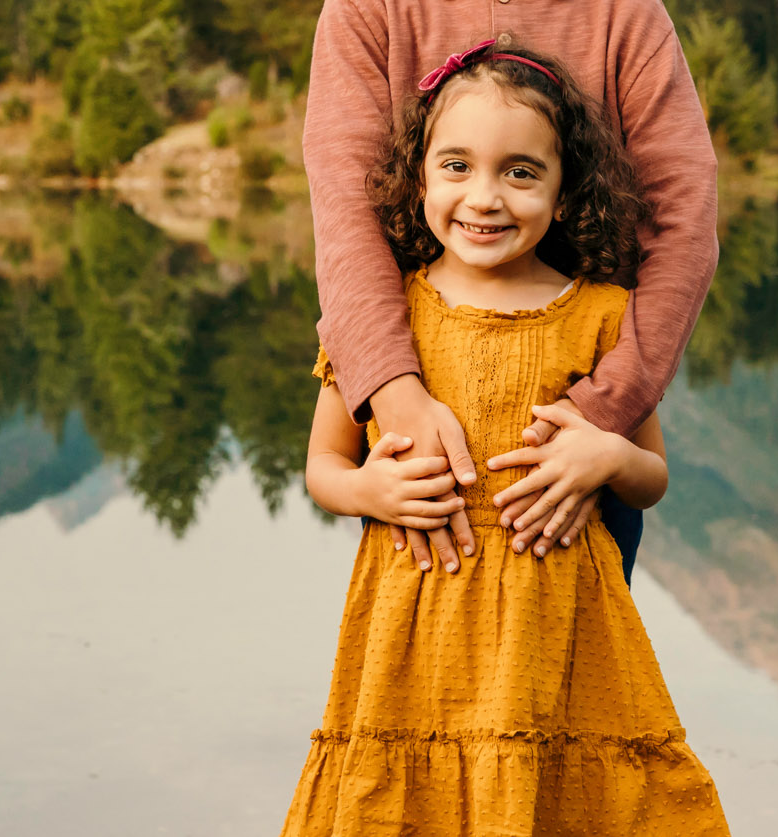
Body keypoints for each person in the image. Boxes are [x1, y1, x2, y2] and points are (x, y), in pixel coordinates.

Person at [303, 0, 719, 582]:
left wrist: (601, 419)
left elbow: (683, 228)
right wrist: (397, 396)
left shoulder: (627, 19)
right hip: (421, 457)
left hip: (580, 459)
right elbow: (344, 223)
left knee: (573, 695)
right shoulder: (369, 6)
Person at [284, 44, 729, 836]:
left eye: (520, 172)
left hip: (559, 628)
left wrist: (609, 456)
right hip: (415, 629)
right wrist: (367, 491)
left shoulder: (600, 315)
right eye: (455, 166)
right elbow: (324, 465)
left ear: (563, 195)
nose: (483, 197)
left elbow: (651, 475)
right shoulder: (385, 321)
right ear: (418, 177)